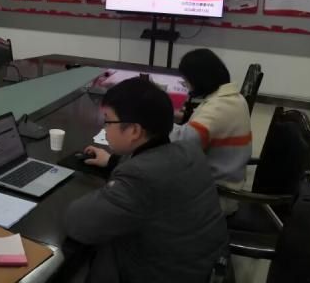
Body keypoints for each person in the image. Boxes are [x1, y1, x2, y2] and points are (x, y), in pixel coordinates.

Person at [64, 77, 228, 283]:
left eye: (108, 121)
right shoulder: (188, 150)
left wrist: (113, 187)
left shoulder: (138, 179)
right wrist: (113, 161)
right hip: (204, 266)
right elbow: (159, 170)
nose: (105, 128)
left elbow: (78, 224)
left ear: (134, 130)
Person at [171, 48, 251, 214]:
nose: (186, 86)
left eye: (186, 81)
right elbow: (200, 130)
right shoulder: (234, 98)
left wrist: (156, 120)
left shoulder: (218, 108)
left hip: (214, 198)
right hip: (222, 186)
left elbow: (180, 146)